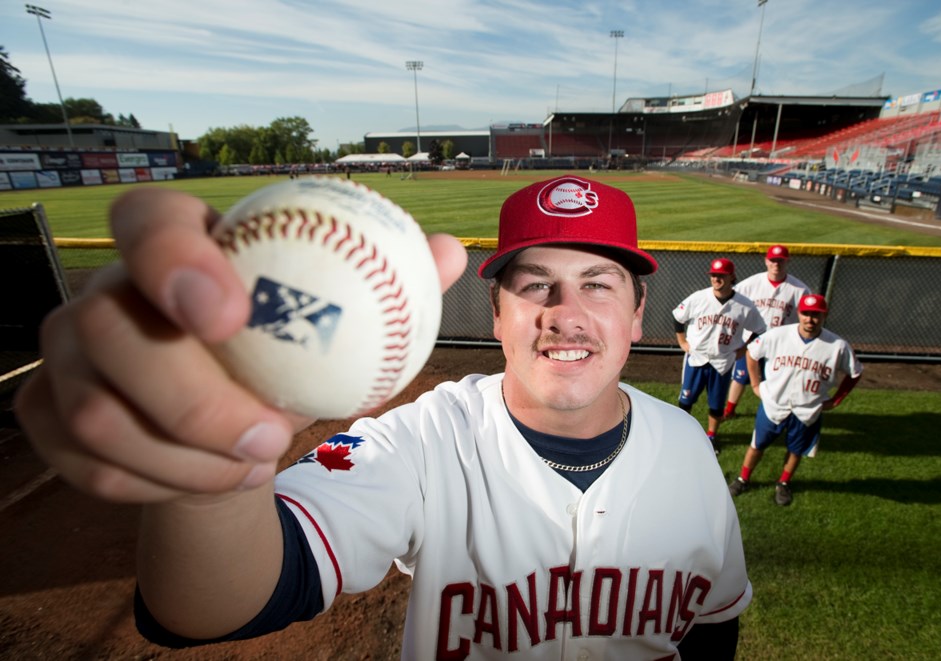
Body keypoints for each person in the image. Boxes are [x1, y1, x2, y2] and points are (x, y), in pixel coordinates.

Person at [15, 175, 751, 659]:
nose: (567, 315)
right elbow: (209, 607)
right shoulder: (419, 440)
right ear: (496, 313)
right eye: (536, 286)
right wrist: (210, 484)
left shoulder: (688, 446)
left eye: (598, 284)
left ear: (637, 314)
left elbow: (716, 624)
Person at [728, 294, 862, 506]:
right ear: (799, 313)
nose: (810, 319)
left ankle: (783, 483)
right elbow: (752, 354)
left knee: (796, 449)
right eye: (806, 313)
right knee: (757, 444)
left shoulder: (837, 345)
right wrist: (755, 384)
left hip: (807, 408)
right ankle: (743, 478)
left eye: (816, 315)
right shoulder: (778, 335)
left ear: (823, 315)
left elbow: (855, 373)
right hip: (774, 403)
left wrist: (837, 399)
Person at [672, 258, 766, 454]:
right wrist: (682, 342)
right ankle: (678, 434)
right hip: (697, 358)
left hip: (723, 362)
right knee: (686, 400)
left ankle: (711, 437)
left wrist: (744, 349)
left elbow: (759, 329)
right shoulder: (698, 298)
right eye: (714, 275)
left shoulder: (744, 305)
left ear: (731, 276)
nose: (716, 279)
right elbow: (678, 317)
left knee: (716, 405)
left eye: (721, 275)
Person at [722, 244, 811, 421]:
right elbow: (732, 303)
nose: (776, 264)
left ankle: (775, 412)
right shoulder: (750, 284)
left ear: (787, 262)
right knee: (741, 376)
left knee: (776, 380)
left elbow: (806, 315)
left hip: (780, 344)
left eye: (780, 261)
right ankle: (729, 410)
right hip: (751, 341)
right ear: (766, 261)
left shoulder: (799, 290)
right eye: (773, 260)